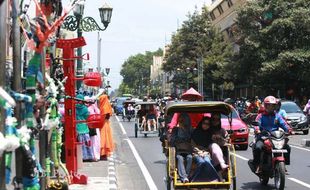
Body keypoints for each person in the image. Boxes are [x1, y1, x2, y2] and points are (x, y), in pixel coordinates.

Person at [252, 96, 291, 173]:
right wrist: (257, 130)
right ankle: (257, 165)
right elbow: (256, 124)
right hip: (263, 137)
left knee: (287, 147)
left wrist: (289, 130)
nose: (272, 107)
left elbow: (284, 124)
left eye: (273, 105)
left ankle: (284, 166)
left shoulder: (277, 116)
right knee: (258, 148)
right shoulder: (261, 116)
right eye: (270, 105)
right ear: (266, 105)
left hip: (275, 137)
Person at [191, 117, 221, 182]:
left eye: (208, 124)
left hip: (206, 153)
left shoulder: (210, 134)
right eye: (204, 123)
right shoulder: (196, 132)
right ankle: (194, 179)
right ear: (201, 123)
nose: (205, 125)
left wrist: (204, 152)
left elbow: (211, 145)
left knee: (207, 161)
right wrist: (199, 152)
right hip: (196, 153)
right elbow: (192, 145)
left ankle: (212, 179)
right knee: (201, 162)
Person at [170, 113, 193, 183]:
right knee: (180, 158)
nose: (183, 123)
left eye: (184, 121)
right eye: (181, 121)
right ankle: (184, 177)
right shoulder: (175, 130)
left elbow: (192, 139)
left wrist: (185, 132)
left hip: (188, 150)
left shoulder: (190, 130)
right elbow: (172, 141)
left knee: (190, 158)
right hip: (179, 150)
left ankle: (187, 176)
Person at [75, 94, 94, 161]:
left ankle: (83, 157)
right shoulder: (85, 109)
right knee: (87, 143)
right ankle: (90, 156)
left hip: (78, 128)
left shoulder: (74, 108)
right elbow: (87, 117)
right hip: (85, 128)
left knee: (81, 144)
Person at [98, 91, 114, 160]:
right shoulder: (106, 105)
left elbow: (102, 117)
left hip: (103, 124)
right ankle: (103, 153)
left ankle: (103, 153)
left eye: (101, 99)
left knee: (103, 139)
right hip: (106, 124)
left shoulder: (104, 107)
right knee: (106, 138)